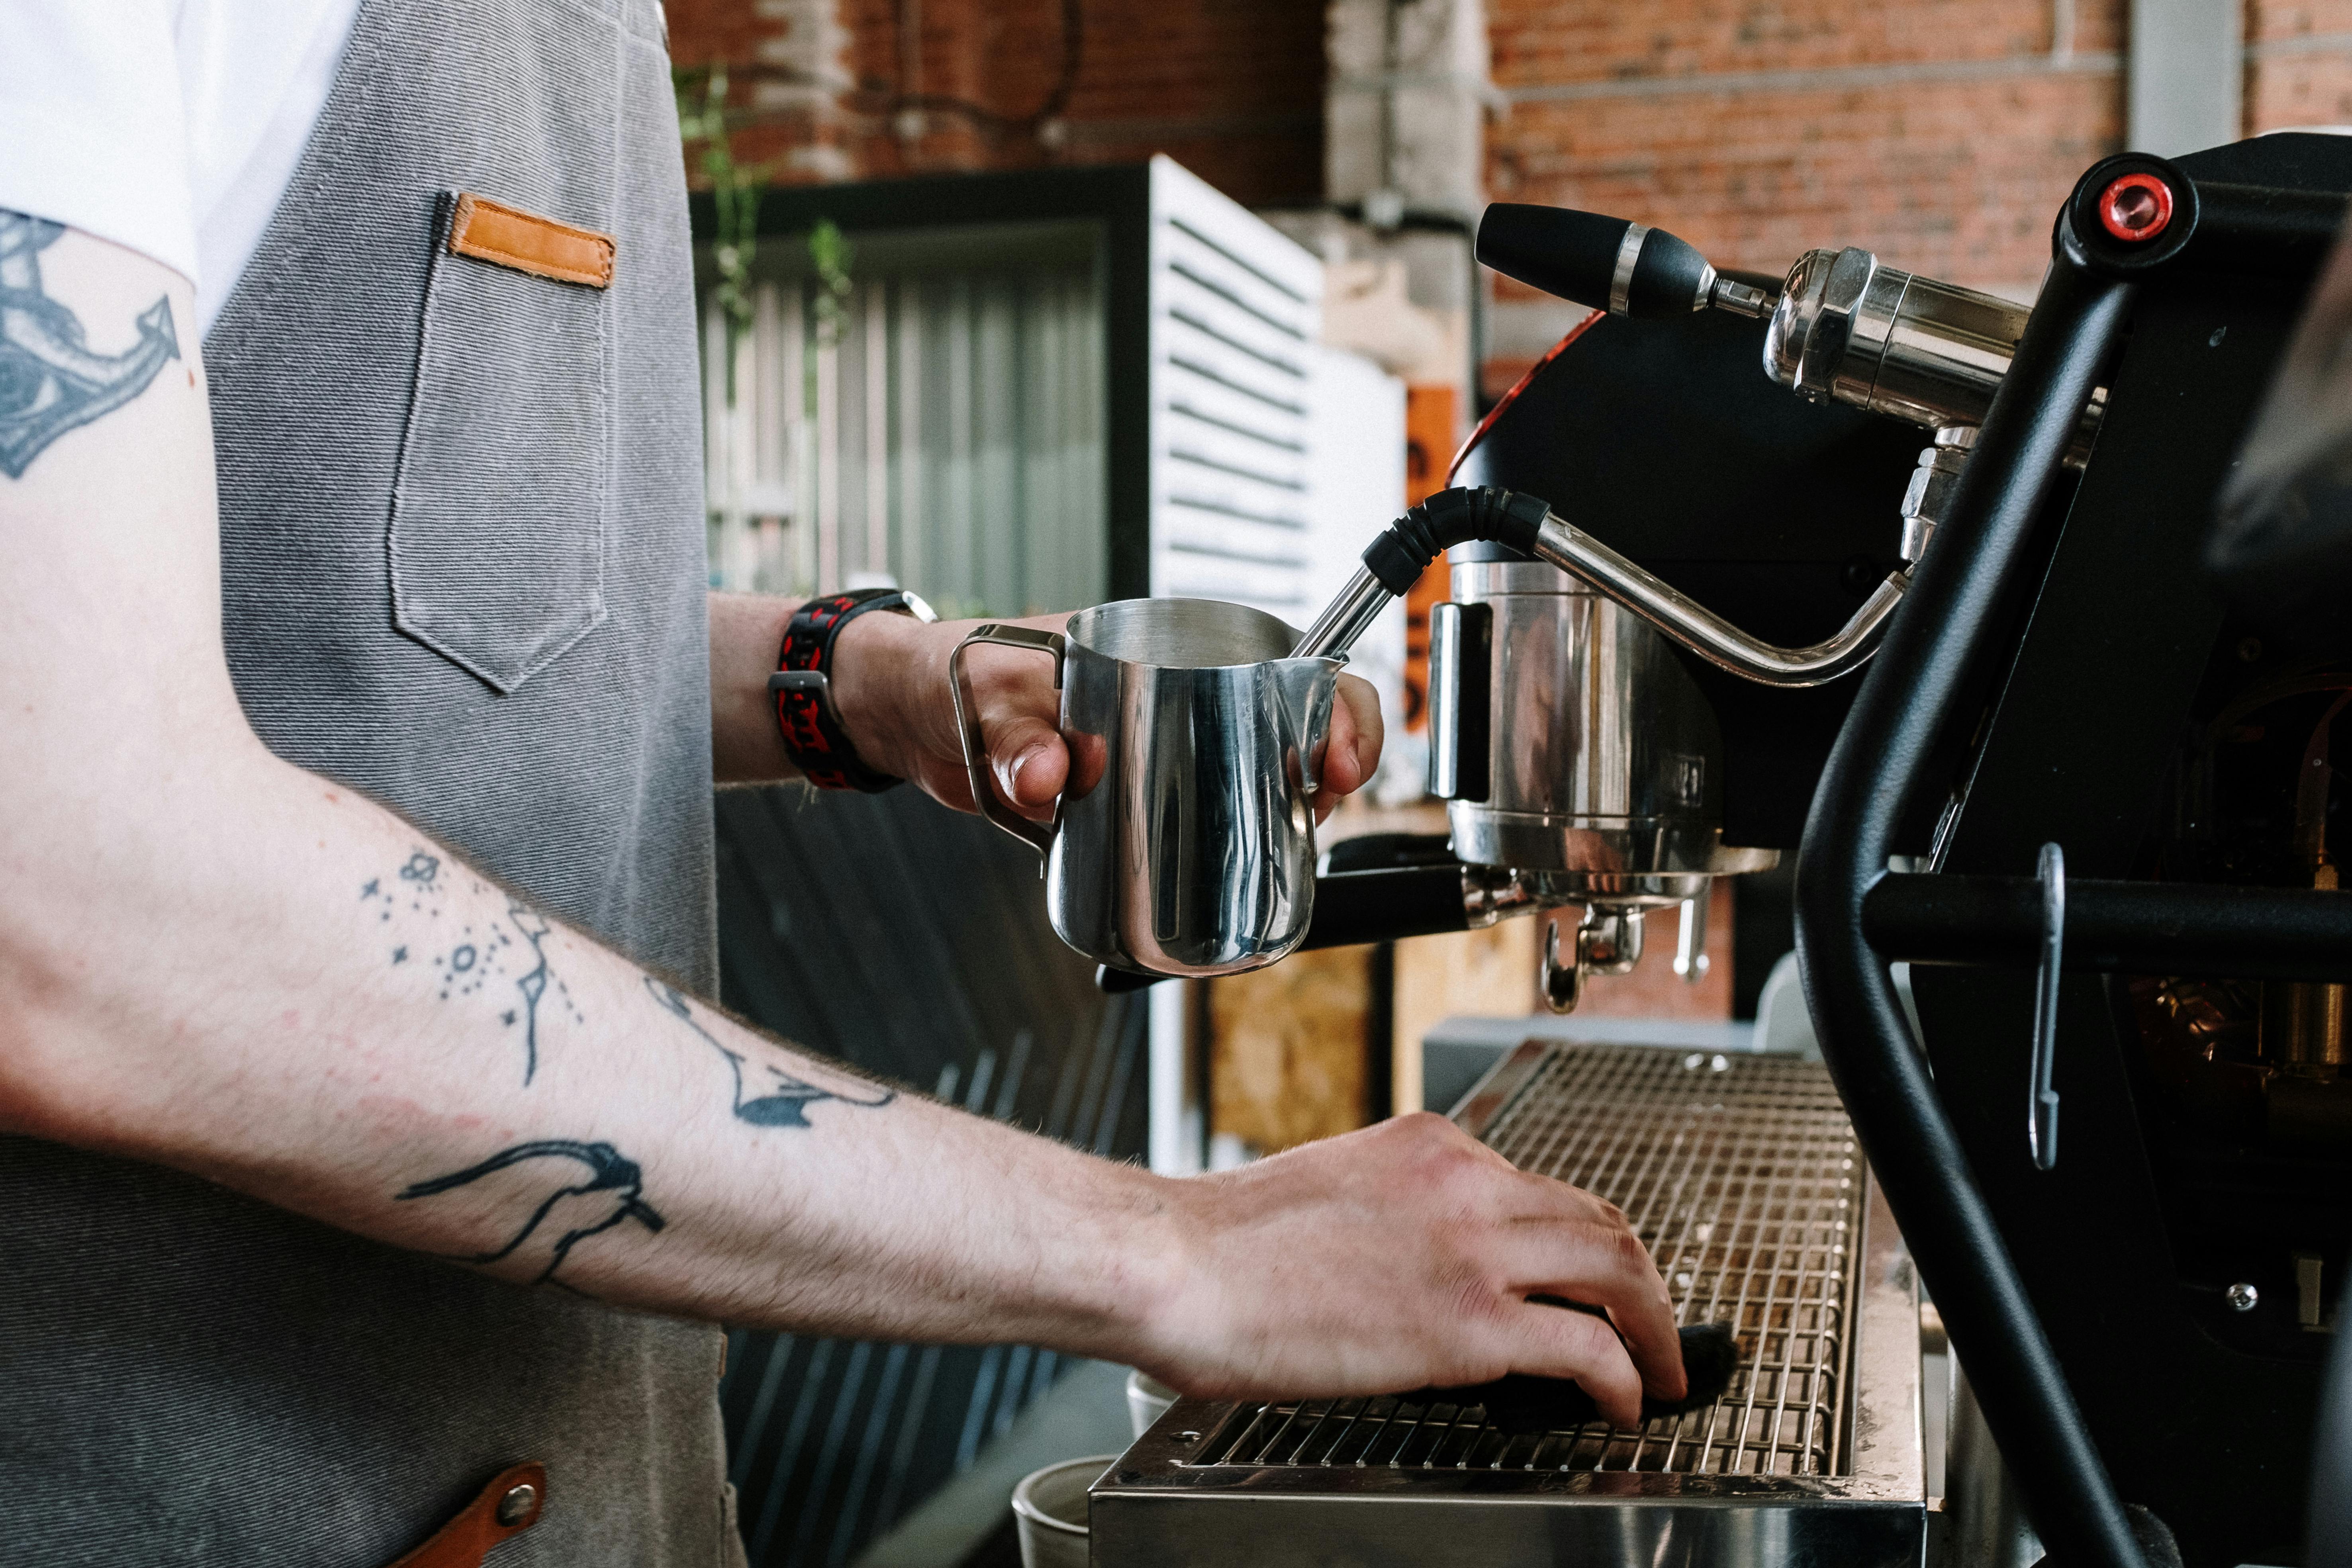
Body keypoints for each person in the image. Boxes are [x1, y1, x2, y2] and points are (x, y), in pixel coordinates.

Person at [0, 2, 1684, 1563]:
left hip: (617, 1481)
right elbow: (74, 894)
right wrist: (1176, 1250)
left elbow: (411, 622)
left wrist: (858, 682)